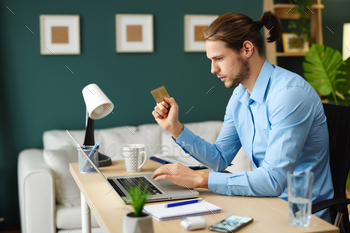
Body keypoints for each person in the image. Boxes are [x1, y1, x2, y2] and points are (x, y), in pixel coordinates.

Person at [151, 11, 333, 221]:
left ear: (247, 49)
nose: (213, 69)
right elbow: (220, 158)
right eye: (211, 60)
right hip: (265, 203)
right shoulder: (240, 95)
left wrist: (200, 178)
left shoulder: (289, 95)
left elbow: (274, 180)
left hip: (300, 216)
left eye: (219, 58)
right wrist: (175, 127)